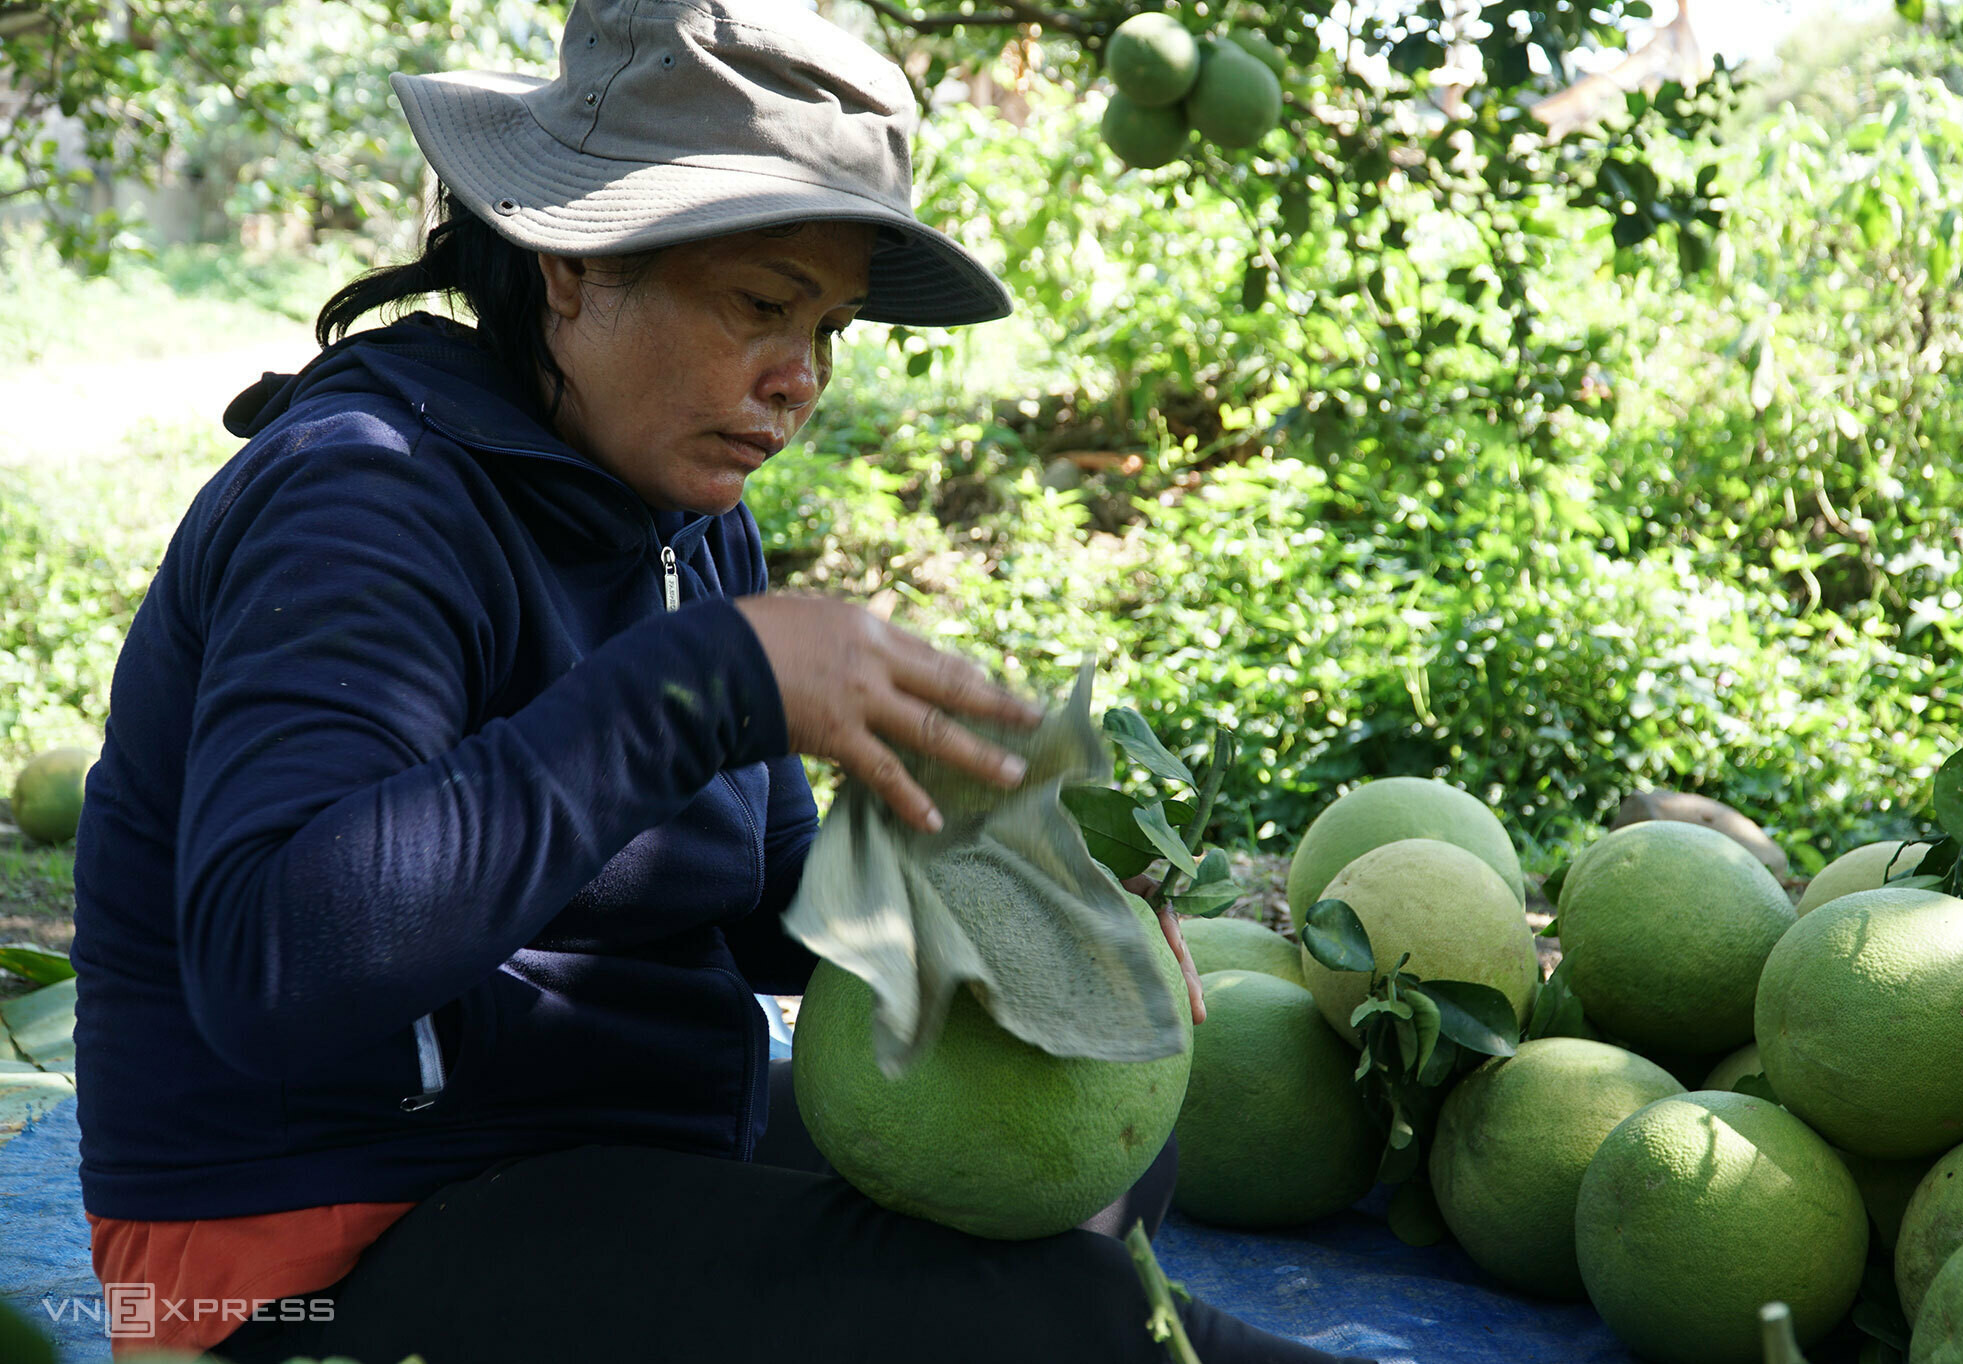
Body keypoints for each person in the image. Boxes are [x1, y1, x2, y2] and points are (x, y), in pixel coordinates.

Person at [68, 2, 1366, 1361]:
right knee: (1061, 1318)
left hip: (603, 1146)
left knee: (1081, 1162)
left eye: (832, 328)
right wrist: (705, 686)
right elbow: (272, 961)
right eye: (760, 306)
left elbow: (765, 911)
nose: (797, 380)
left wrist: (1024, 923)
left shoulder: (686, 519)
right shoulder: (361, 495)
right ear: (572, 263)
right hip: (306, 1245)